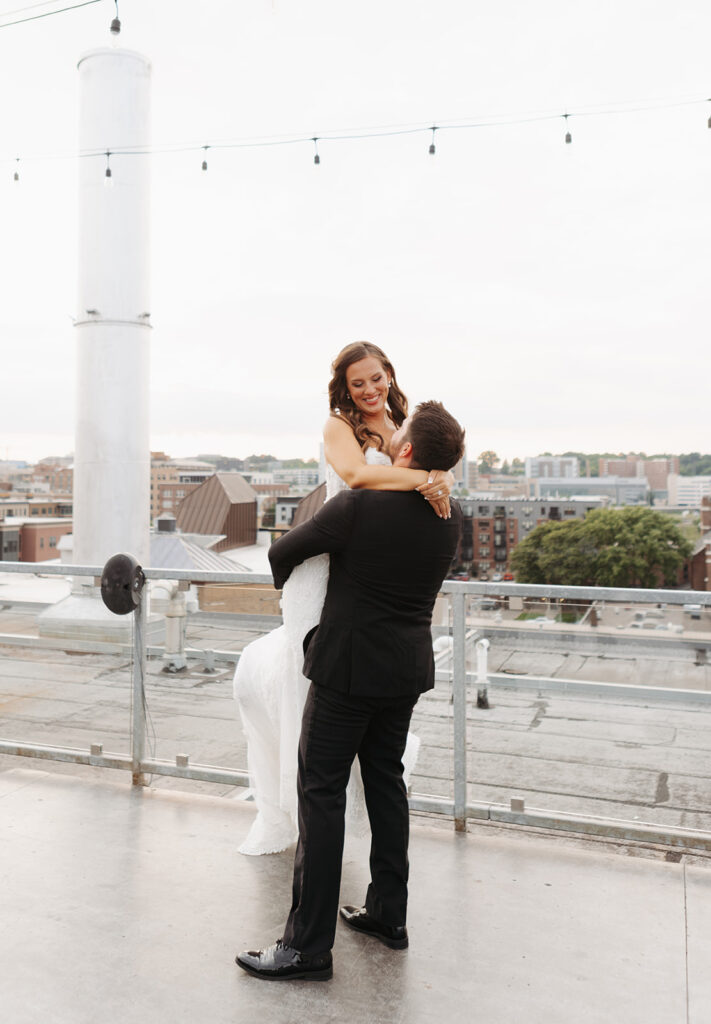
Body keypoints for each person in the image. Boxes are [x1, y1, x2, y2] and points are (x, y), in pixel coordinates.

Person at [235, 400, 465, 981]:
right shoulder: (449, 514)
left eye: (400, 433)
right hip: (405, 670)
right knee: (386, 785)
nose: (391, 437)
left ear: (407, 450)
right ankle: (389, 914)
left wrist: (309, 621)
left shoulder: (360, 506)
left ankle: (307, 946)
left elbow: (280, 553)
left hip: (345, 671)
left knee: (321, 792)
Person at [233, 342, 453, 856]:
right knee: (311, 689)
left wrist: (438, 478)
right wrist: (427, 478)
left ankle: (341, 818)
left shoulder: (404, 421)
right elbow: (357, 477)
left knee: (367, 729)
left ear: (390, 375)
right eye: (359, 383)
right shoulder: (339, 426)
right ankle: (298, 810)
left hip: (377, 572)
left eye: (377, 378)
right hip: (332, 560)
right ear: (345, 389)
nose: (371, 390)